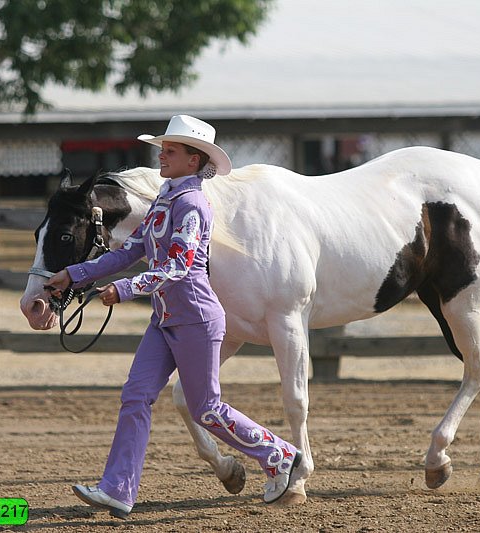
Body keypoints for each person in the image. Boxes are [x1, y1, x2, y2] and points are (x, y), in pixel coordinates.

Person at [45, 115, 300, 519]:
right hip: (165, 320)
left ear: (194, 162)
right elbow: (131, 252)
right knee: (136, 395)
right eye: (163, 148)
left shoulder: (193, 205)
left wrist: (124, 289)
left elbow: (178, 267)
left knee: (206, 410)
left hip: (196, 320)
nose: (161, 155)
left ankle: (280, 453)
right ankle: (117, 489)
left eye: (171, 150)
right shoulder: (166, 198)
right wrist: (74, 274)